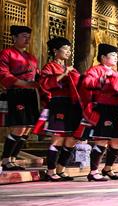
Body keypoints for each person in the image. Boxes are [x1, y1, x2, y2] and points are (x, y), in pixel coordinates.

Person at [79, 44, 118, 181]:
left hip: (116, 109)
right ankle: (93, 171)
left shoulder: (117, 73)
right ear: (103, 57)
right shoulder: (95, 70)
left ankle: (108, 168)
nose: (116, 58)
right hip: (102, 107)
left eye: (117, 56)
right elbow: (86, 82)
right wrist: (103, 80)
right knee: (101, 140)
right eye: (113, 55)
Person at [36, 37, 80, 181]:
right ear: (55, 51)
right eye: (65, 48)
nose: (68, 51)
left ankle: (61, 169)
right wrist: (64, 74)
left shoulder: (69, 68)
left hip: (71, 105)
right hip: (58, 103)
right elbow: (45, 84)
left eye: (69, 48)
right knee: (57, 139)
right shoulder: (49, 67)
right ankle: (50, 171)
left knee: (71, 139)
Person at [0, 25, 39, 172]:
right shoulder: (6, 53)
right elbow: (4, 74)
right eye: (24, 36)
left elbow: (38, 76)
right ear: (14, 37)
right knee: (19, 127)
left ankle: (13, 159)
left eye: (28, 36)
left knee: (27, 128)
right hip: (16, 93)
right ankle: (5, 160)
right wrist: (26, 84)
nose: (27, 39)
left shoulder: (31, 57)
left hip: (30, 94)